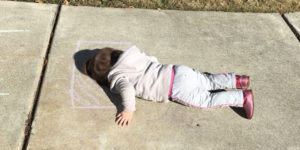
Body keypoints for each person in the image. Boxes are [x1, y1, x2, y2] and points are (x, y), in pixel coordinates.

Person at [83, 45, 254, 127]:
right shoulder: (131, 56)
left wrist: (128, 110)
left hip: (173, 87)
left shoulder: (118, 76)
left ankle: (241, 98)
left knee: (207, 100)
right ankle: (237, 80)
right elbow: (152, 59)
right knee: (207, 80)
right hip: (176, 70)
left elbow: (127, 90)